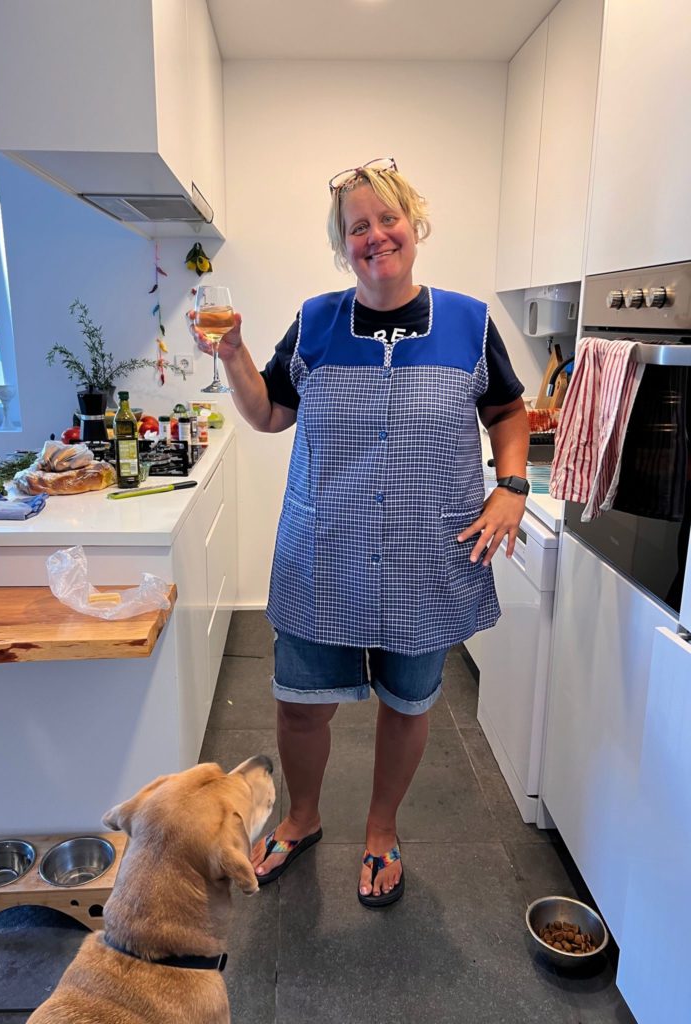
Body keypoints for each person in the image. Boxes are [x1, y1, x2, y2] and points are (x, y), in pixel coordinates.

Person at [190, 157, 529, 908]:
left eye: (388, 219)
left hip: (427, 556)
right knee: (298, 704)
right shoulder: (315, 321)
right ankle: (304, 818)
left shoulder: (469, 323)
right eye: (357, 228)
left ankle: (381, 829)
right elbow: (270, 413)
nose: (375, 236)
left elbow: (508, 411)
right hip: (325, 554)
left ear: (415, 224)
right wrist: (235, 355)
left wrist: (511, 485)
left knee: (408, 704)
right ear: (343, 246)